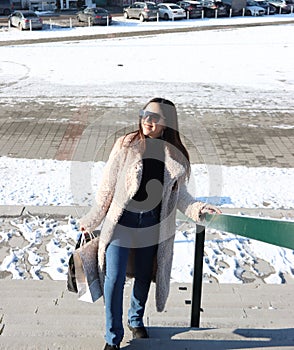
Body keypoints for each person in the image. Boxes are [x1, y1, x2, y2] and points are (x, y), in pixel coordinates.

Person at [78, 97, 221, 350]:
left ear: (167, 123)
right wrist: (92, 219)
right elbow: (106, 188)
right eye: (145, 114)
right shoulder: (126, 145)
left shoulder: (175, 157)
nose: (148, 120)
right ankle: (113, 337)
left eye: (155, 117)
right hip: (121, 222)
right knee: (114, 277)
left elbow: (181, 197)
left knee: (144, 275)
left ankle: (136, 319)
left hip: (152, 226)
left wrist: (199, 208)